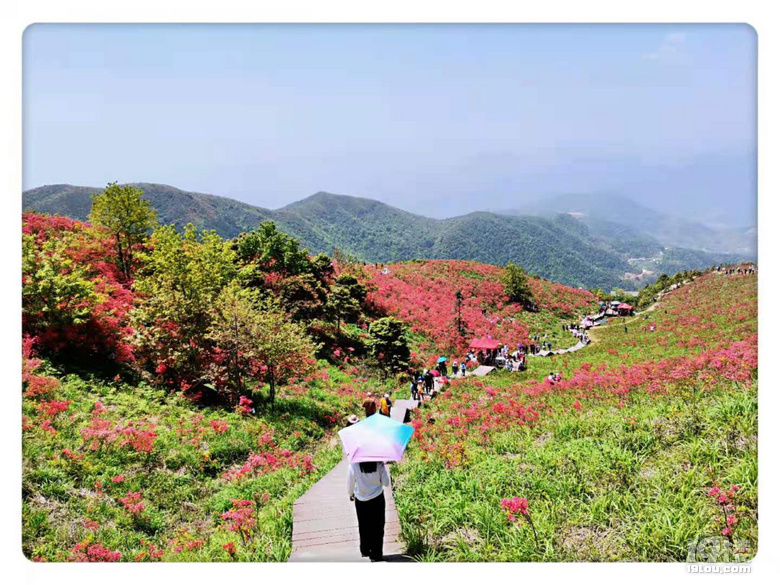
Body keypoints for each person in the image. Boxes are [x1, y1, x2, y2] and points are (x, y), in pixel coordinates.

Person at [348, 461, 390, 562]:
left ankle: (365, 550)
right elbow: (386, 483)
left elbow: (350, 483)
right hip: (377, 498)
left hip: (361, 499)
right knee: (378, 526)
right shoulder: (379, 465)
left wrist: (350, 493)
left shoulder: (353, 465)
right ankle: (376, 553)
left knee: (364, 525)